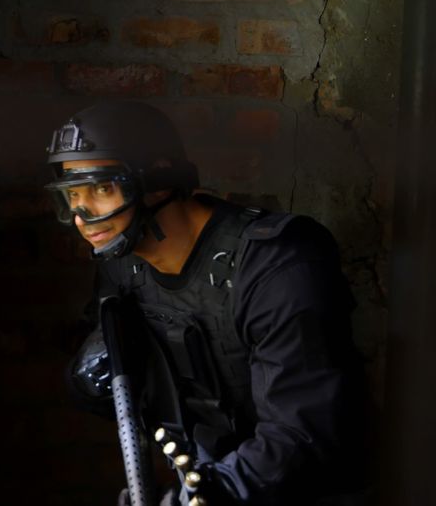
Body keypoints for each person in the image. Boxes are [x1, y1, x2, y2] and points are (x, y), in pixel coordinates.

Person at [45, 101, 373, 505]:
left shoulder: (275, 266)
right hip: (209, 479)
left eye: (102, 188)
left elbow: (300, 432)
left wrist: (207, 496)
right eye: (72, 194)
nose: (82, 215)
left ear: (158, 182)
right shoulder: (122, 264)